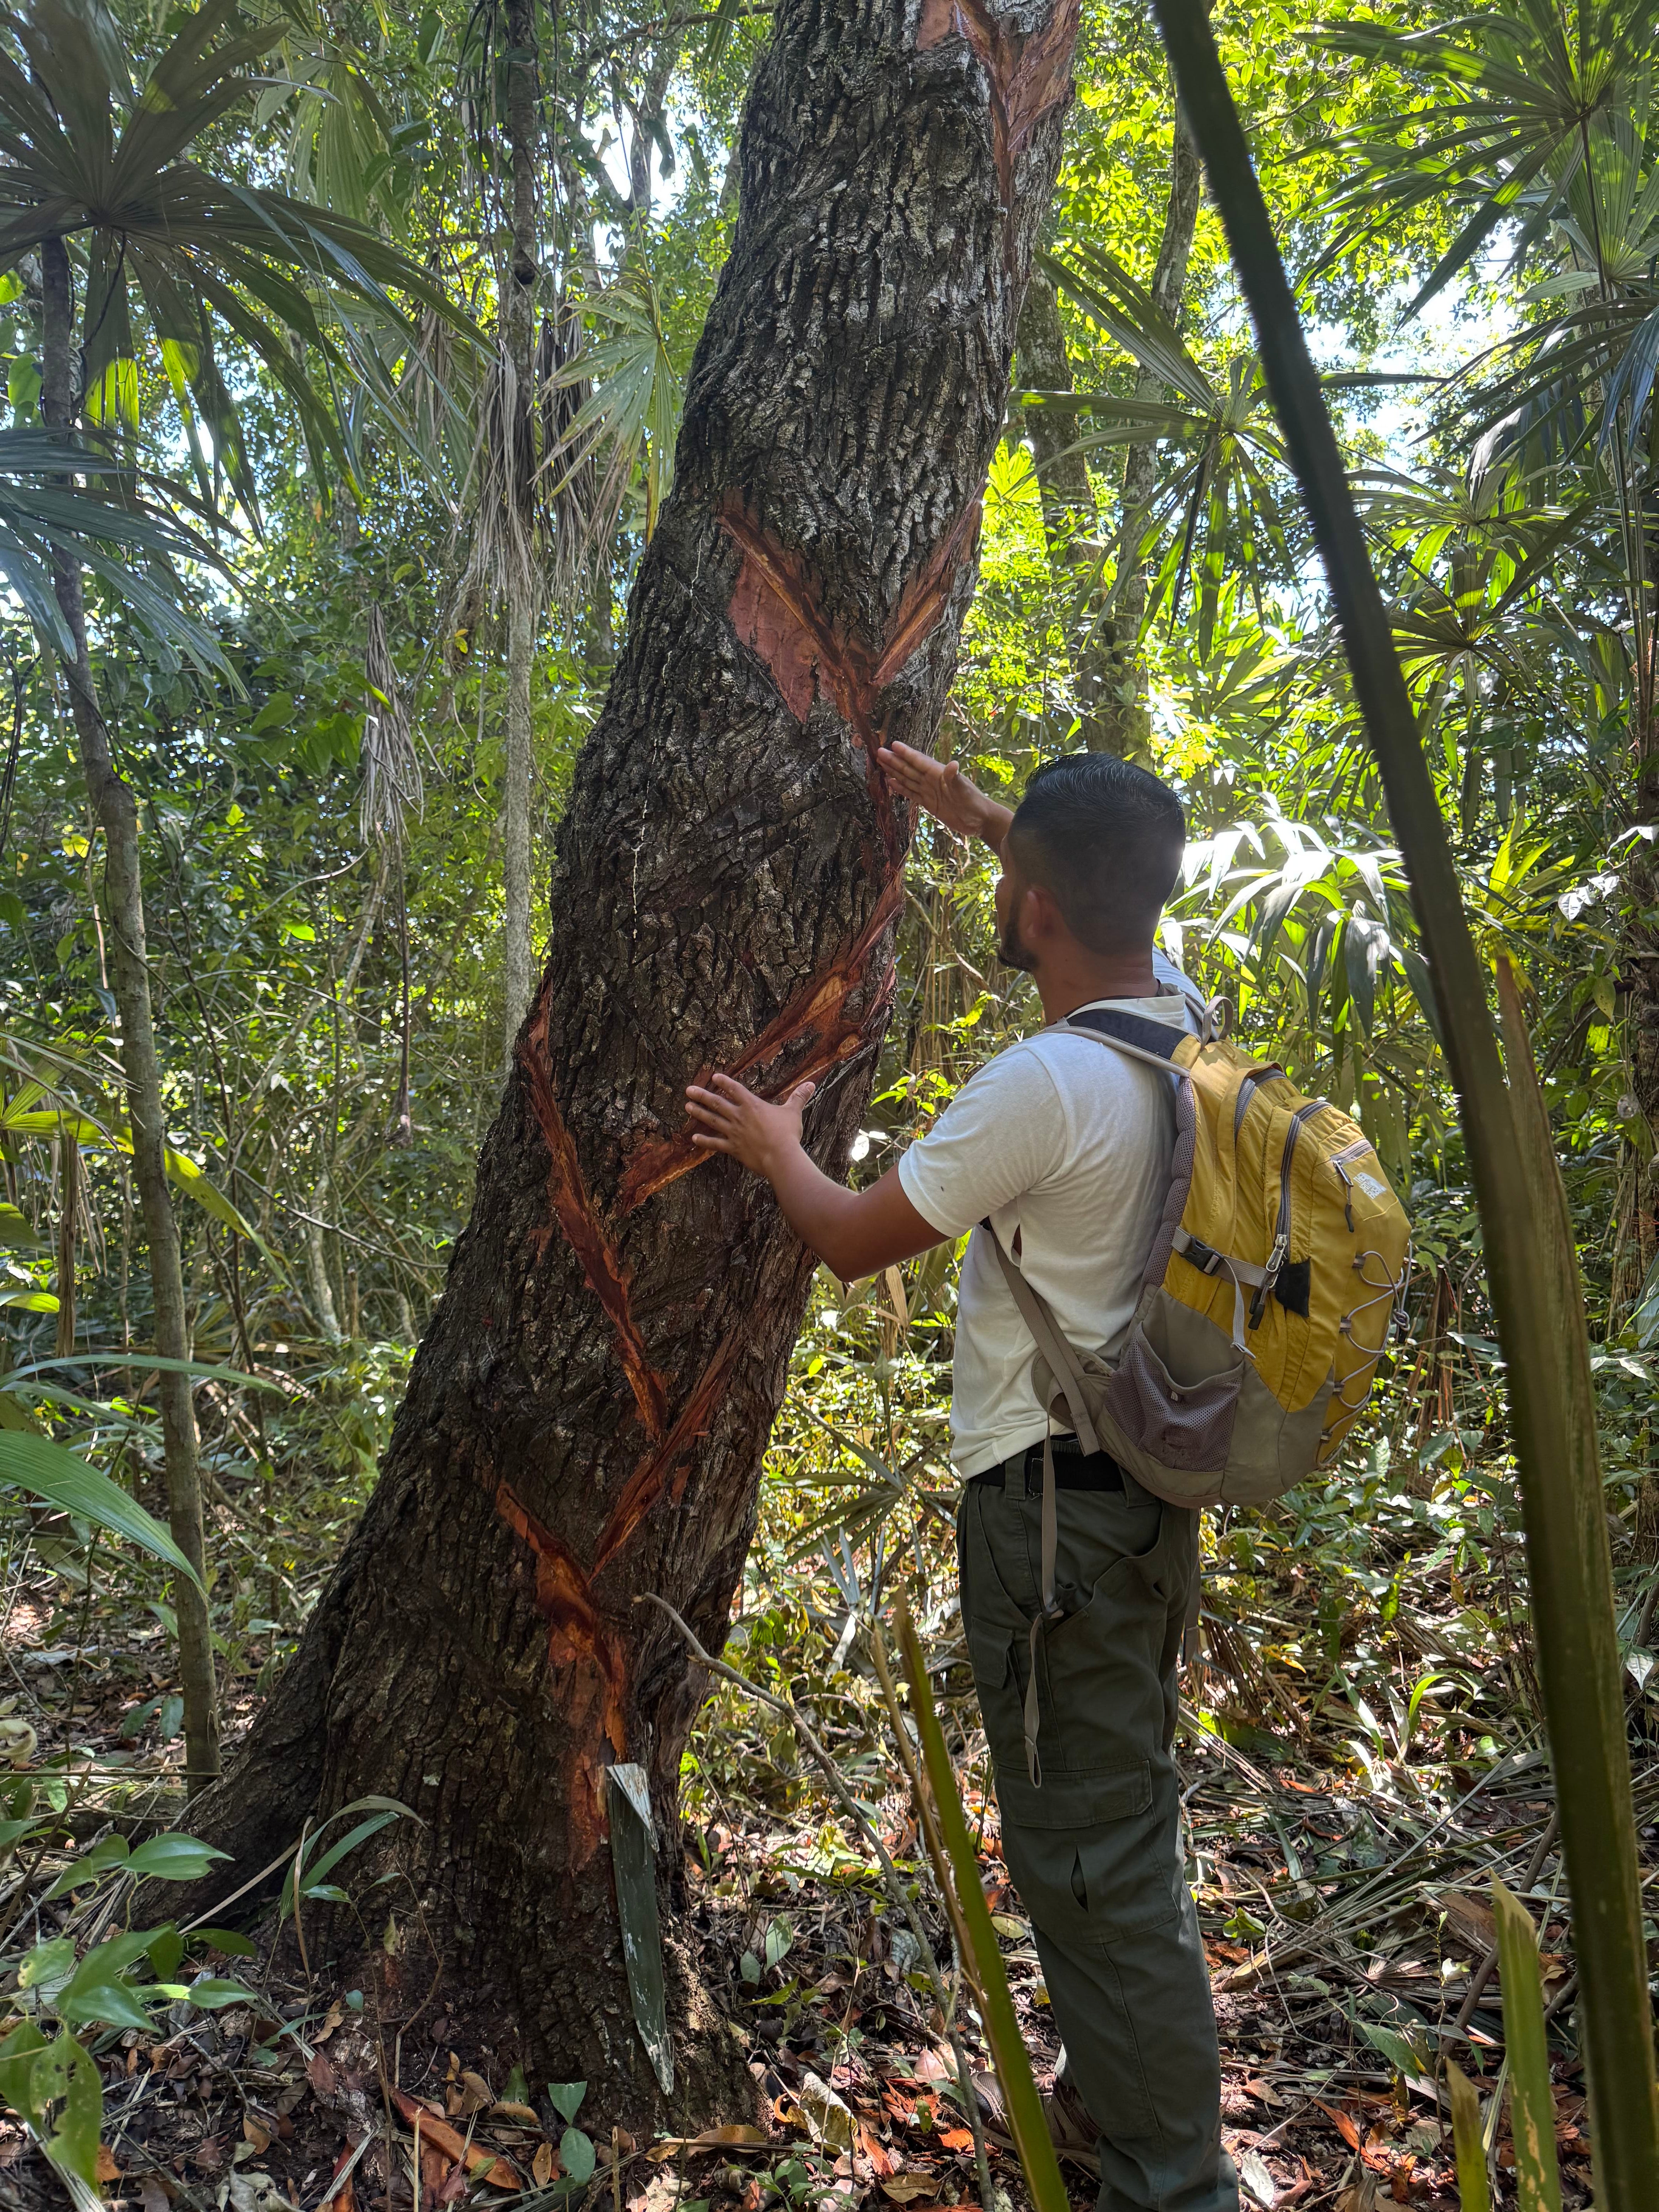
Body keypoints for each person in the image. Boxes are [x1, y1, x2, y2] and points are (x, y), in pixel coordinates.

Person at [684, 742, 1239, 2212]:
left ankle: (1172, 2186)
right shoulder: (1172, 1017)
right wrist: (986, 818)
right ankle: (1112, 2114)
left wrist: (771, 1142)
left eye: (1009, 878)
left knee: (1094, 1856)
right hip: (1133, 1496)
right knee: (1104, 1820)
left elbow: (856, 1236)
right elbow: (1090, 882)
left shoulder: (1043, 1084)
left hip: (1052, 1518)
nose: (999, 892)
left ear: (1035, 908)